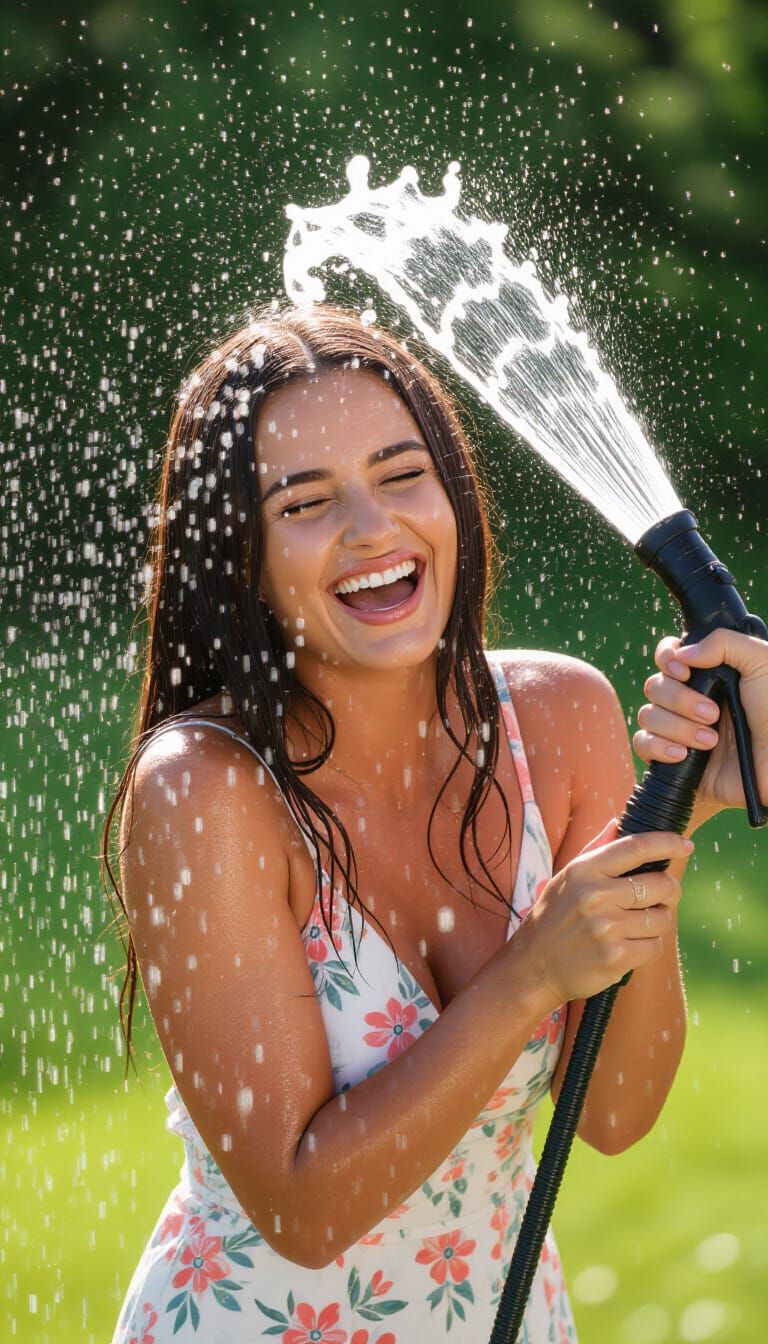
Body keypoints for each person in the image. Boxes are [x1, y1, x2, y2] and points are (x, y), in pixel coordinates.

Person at [104, 304, 768, 1344]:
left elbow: (617, 1111)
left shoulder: (559, 720)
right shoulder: (206, 791)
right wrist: (532, 974)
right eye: (307, 502)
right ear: (240, 555)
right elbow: (303, 1210)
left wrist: (675, 811)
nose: (374, 530)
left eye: (402, 474)